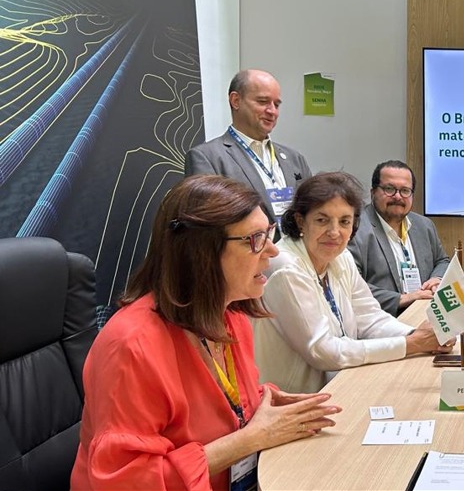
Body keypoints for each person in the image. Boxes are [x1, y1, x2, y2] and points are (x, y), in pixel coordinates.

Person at [72, 175, 341, 489]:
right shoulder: (130, 346)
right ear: (201, 252)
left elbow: (225, 404)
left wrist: (264, 402)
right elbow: (126, 481)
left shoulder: (230, 315)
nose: (273, 252)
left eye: (268, 233)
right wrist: (250, 438)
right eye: (254, 239)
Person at [256, 171, 453, 393]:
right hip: (292, 400)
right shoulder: (286, 267)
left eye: (344, 222)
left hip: (339, 384)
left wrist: (418, 335)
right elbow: (323, 351)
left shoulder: (340, 257)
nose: (334, 232)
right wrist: (413, 343)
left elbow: (370, 318)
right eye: (322, 220)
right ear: (300, 221)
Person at [185, 69, 312, 226]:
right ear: (236, 101)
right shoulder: (206, 158)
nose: (272, 111)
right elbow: (206, 226)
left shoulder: (295, 158)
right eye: (263, 102)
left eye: (276, 104)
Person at [349, 160, 450, 315]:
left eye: (405, 190)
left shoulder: (424, 225)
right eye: (389, 189)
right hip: (381, 321)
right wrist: (402, 299)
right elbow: (350, 285)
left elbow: (442, 261)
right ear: (373, 192)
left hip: (425, 313)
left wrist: (436, 278)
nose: (397, 196)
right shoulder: (354, 229)